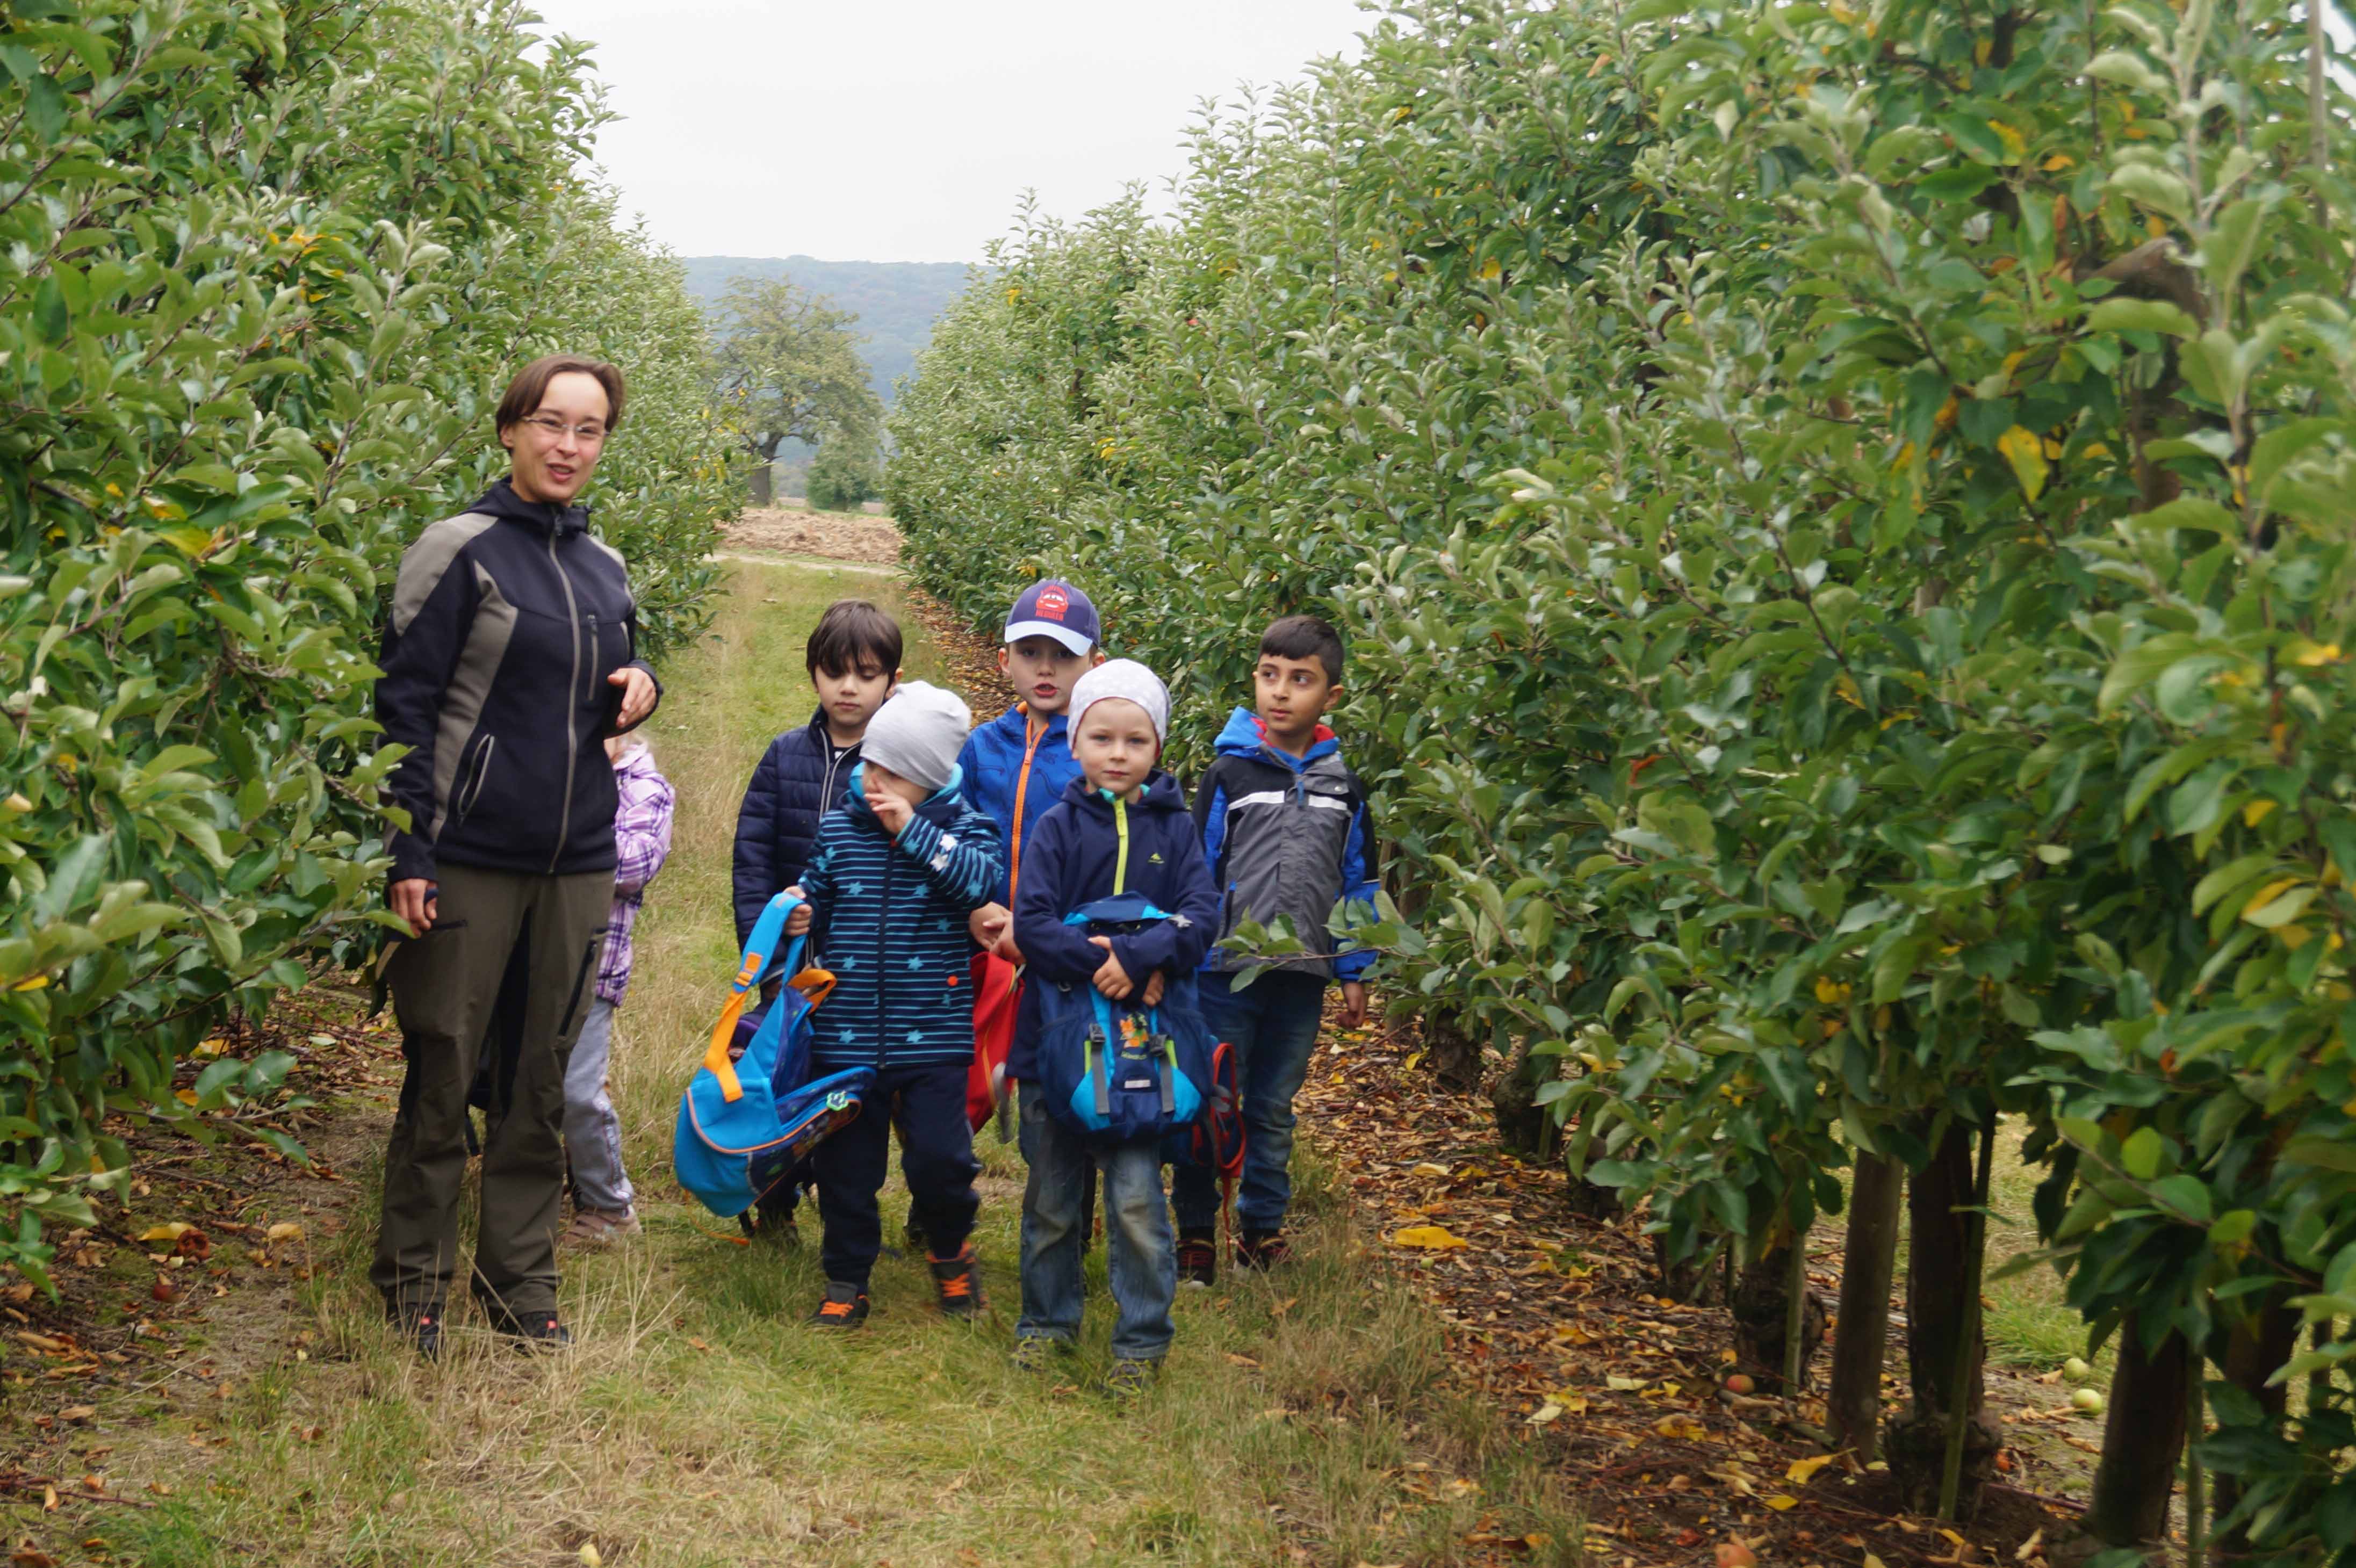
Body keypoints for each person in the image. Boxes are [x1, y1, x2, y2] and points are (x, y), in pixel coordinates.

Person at [370, 354, 661, 1356]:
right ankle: (414, 1276)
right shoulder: (460, 549)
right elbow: (402, 708)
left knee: (539, 1076)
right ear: (509, 429)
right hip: (468, 855)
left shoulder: (605, 567)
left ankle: (519, 1279)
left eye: (588, 429)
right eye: (550, 422)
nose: (568, 445)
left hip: (576, 859)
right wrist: (410, 848)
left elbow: (606, 673)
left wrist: (644, 681)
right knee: (446, 1066)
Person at [1008, 661, 1218, 1399]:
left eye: (1136, 738)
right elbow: (1031, 924)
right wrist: (1104, 962)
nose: (1118, 753)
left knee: (1136, 1197)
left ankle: (1141, 1339)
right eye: (1102, 736)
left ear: (1158, 745)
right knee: (1053, 1197)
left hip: (1144, 1047)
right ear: (1077, 739)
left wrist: (1141, 957)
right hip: (1059, 1040)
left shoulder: (1177, 827)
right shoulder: (1058, 827)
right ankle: (1047, 1323)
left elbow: (1202, 914)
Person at [780, 683, 1003, 1327]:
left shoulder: (963, 829)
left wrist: (915, 834)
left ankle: (949, 1249)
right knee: (847, 1166)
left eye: (892, 773)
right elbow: (816, 886)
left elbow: (981, 884)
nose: (872, 780)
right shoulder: (841, 826)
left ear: (929, 780)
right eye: (870, 764)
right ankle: (847, 1275)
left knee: (941, 1159)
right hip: (846, 1033)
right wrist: (799, 910)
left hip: (930, 1029)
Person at [1170, 615, 1377, 1286]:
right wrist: (1187, 951)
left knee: (1272, 1107)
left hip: (1300, 976)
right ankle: (1196, 1233)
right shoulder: (1228, 772)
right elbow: (1196, 870)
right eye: (1268, 676)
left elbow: (1356, 883)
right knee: (1211, 1099)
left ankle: (1261, 1230)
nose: (1280, 693)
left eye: (1300, 680)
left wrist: (1352, 969)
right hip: (1223, 972)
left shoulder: (1345, 788)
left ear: (1331, 696)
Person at [729, 599, 903, 1244]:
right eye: (834, 673)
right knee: (780, 1076)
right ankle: (774, 1200)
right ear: (813, 677)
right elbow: (752, 853)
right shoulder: (784, 757)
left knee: (845, 1088)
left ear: (891, 681)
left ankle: (845, 1203)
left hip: (860, 967)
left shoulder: (898, 772)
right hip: (791, 965)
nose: (848, 687)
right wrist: (766, 939)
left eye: (865, 673)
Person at [563, 733, 676, 1247]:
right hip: (532, 953)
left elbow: (632, 866)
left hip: (595, 965)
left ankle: (611, 1206)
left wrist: (570, 813)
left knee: (577, 1091)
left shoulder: (643, 786)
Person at [957, 579, 1106, 957]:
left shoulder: (1099, 758)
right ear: (1005, 660)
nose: (1045, 668)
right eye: (1029, 652)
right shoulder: (981, 747)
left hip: (1060, 948)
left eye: (1063, 655)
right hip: (980, 942)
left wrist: (1039, 931)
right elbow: (949, 836)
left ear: (1095, 666)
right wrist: (973, 907)